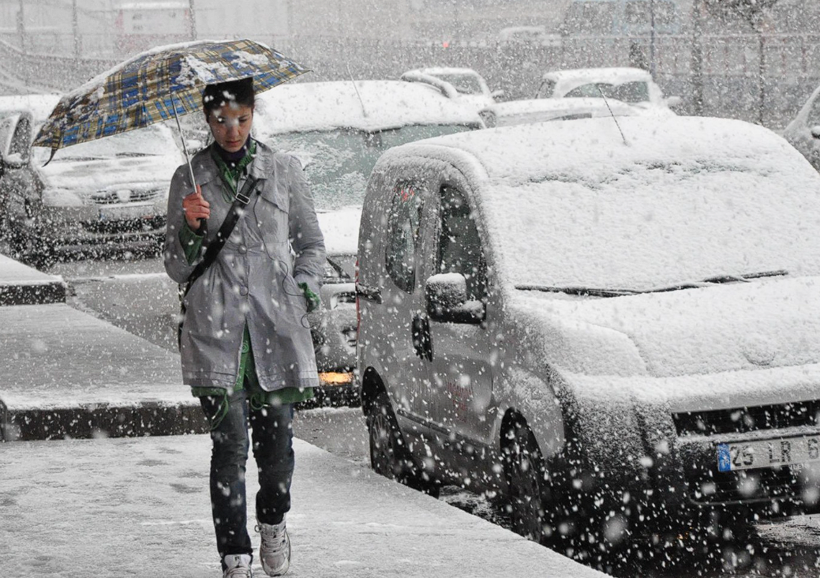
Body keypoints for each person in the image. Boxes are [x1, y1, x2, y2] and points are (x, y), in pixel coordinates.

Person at [163, 77, 325, 578]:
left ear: (253, 115)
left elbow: (311, 244)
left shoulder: (282, 170)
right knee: (230, 447)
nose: (231, 130)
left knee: (276, 451)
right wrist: (191, 230)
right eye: (220, 120)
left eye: (241, 119)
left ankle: (273, 522)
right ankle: (234, 553)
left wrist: (305, 287)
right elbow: (176, 266)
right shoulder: (188, 179)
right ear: (207, 120)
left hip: (276, 328)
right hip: (217, 332)